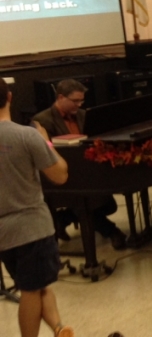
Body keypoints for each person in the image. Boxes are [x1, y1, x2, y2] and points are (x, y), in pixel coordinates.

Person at [0, 78, 80, 337]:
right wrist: (45, 140)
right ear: (9, 96)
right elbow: (60, 175)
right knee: (32, 290)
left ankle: (59, 332)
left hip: (3, 234)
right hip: (32, 226)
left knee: (36, 286)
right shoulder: (26, 135)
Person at [32, 79, 127, 249]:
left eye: (81, 100)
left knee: (108, 205)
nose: (79, 104)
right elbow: (46, 154)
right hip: (63, 176)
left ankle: (63, 218)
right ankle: (112, 232)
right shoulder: (42, 121)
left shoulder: (84, 115)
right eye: (75, 101)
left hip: (88, 171)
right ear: (60, 97)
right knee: (88, 205)